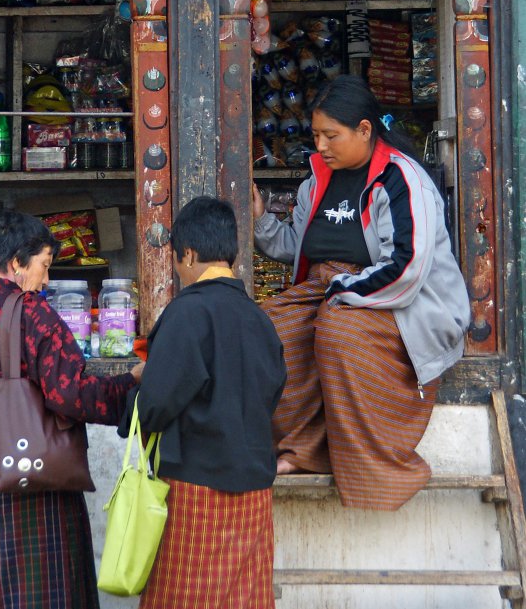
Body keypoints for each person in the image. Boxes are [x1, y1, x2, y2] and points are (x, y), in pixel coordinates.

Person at [253, 74, 471, 511]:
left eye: (331, 135)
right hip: (331, 290)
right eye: (316, 135)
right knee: (262, 331)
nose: (321, 146)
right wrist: (262, 221)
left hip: (403, 302)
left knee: (337, 331)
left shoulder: (401, 180)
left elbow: (406, 267)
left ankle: (375, 468)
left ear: (365, 131)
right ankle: (304, 448)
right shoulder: (315, 181)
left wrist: (340, 290)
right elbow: (300, 247)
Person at [0, 210, 143, 609]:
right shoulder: (34, 314)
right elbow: (70, 393)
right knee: (41, 595)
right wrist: (131, 384)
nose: (46, 280)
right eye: (44, 266)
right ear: (16, 262)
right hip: (31, 482)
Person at [123, 196, 286, 609]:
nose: (178, 272)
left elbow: (157, 404)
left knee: (184, 599)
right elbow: (272, 391)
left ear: (190, 254)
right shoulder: (261, 319)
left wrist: (139, 387)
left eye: (178, 261)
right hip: (252, 492)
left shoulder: (187, 313)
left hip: (196, 489)